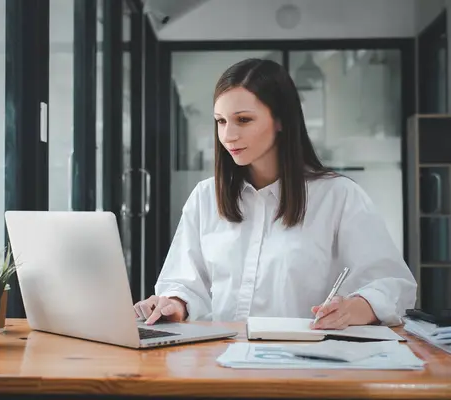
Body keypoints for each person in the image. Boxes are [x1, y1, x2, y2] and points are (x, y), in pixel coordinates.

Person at [133, 58, 417, 330]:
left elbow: (393, 284)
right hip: (219, 361)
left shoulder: (339, 196)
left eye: (243, 120)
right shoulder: (205, 197)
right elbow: (183, 283)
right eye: (221, 121)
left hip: (305, 364)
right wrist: (174, 304)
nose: (228, 135)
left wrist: (354, 308)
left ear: (280, 120)